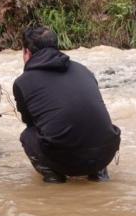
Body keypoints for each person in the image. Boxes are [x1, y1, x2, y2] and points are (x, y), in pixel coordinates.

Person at [13, 26, 121, 183]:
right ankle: (98, 173)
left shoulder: (23, 82)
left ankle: (55, 178)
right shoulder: (83, 70)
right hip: (106, 153)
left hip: (67, 160)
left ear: (27, 53)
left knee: (28, 135)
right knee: (94, 126)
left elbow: (31, 122)